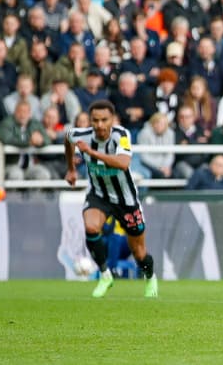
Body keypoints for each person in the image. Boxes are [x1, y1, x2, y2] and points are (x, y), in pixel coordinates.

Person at [64, 100, 159, 298]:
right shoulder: (81, 135)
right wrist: (71, 169)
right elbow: (68, 139)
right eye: (95, 120)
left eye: (104, 120)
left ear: (112, 120)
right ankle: (105, 275)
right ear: (90, 120)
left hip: (126, 200)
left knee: (139, 252)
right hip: (99, 194)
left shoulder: (121, 135)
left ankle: (150, 277)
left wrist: (91, 153)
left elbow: (124, 163)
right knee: (91, 227)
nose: (99, 125)